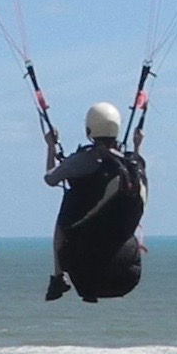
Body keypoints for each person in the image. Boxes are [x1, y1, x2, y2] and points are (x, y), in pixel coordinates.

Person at [43, 98, 147, 302]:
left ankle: (58, 277)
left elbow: (50, 178)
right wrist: (137, 145)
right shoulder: (131, 164)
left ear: (89, 130)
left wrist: (50, 147)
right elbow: (137, 167)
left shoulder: (82, 160)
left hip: (88, 272)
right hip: (127, 274)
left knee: (65, 213)